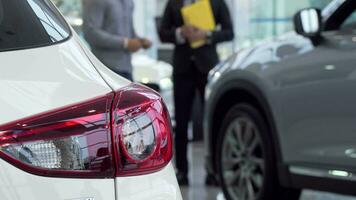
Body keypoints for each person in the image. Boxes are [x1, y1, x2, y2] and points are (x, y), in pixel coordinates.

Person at [159, 0, 234, 185]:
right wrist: (179, 33)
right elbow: (163, 33)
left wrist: (207, 34)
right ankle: (182, 171)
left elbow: (229, 32)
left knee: (212, 121)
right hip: (182, 69)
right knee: (181, 123)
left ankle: (214, 172)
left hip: (207, 67)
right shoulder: (173, 2)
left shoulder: (216, 2)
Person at [82, 0, 152, 81]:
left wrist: (140, 40)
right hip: (105, 69)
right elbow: (90, 33)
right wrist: (125, 43)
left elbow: (129, 31)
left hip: (126, 68)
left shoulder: (129, 2)